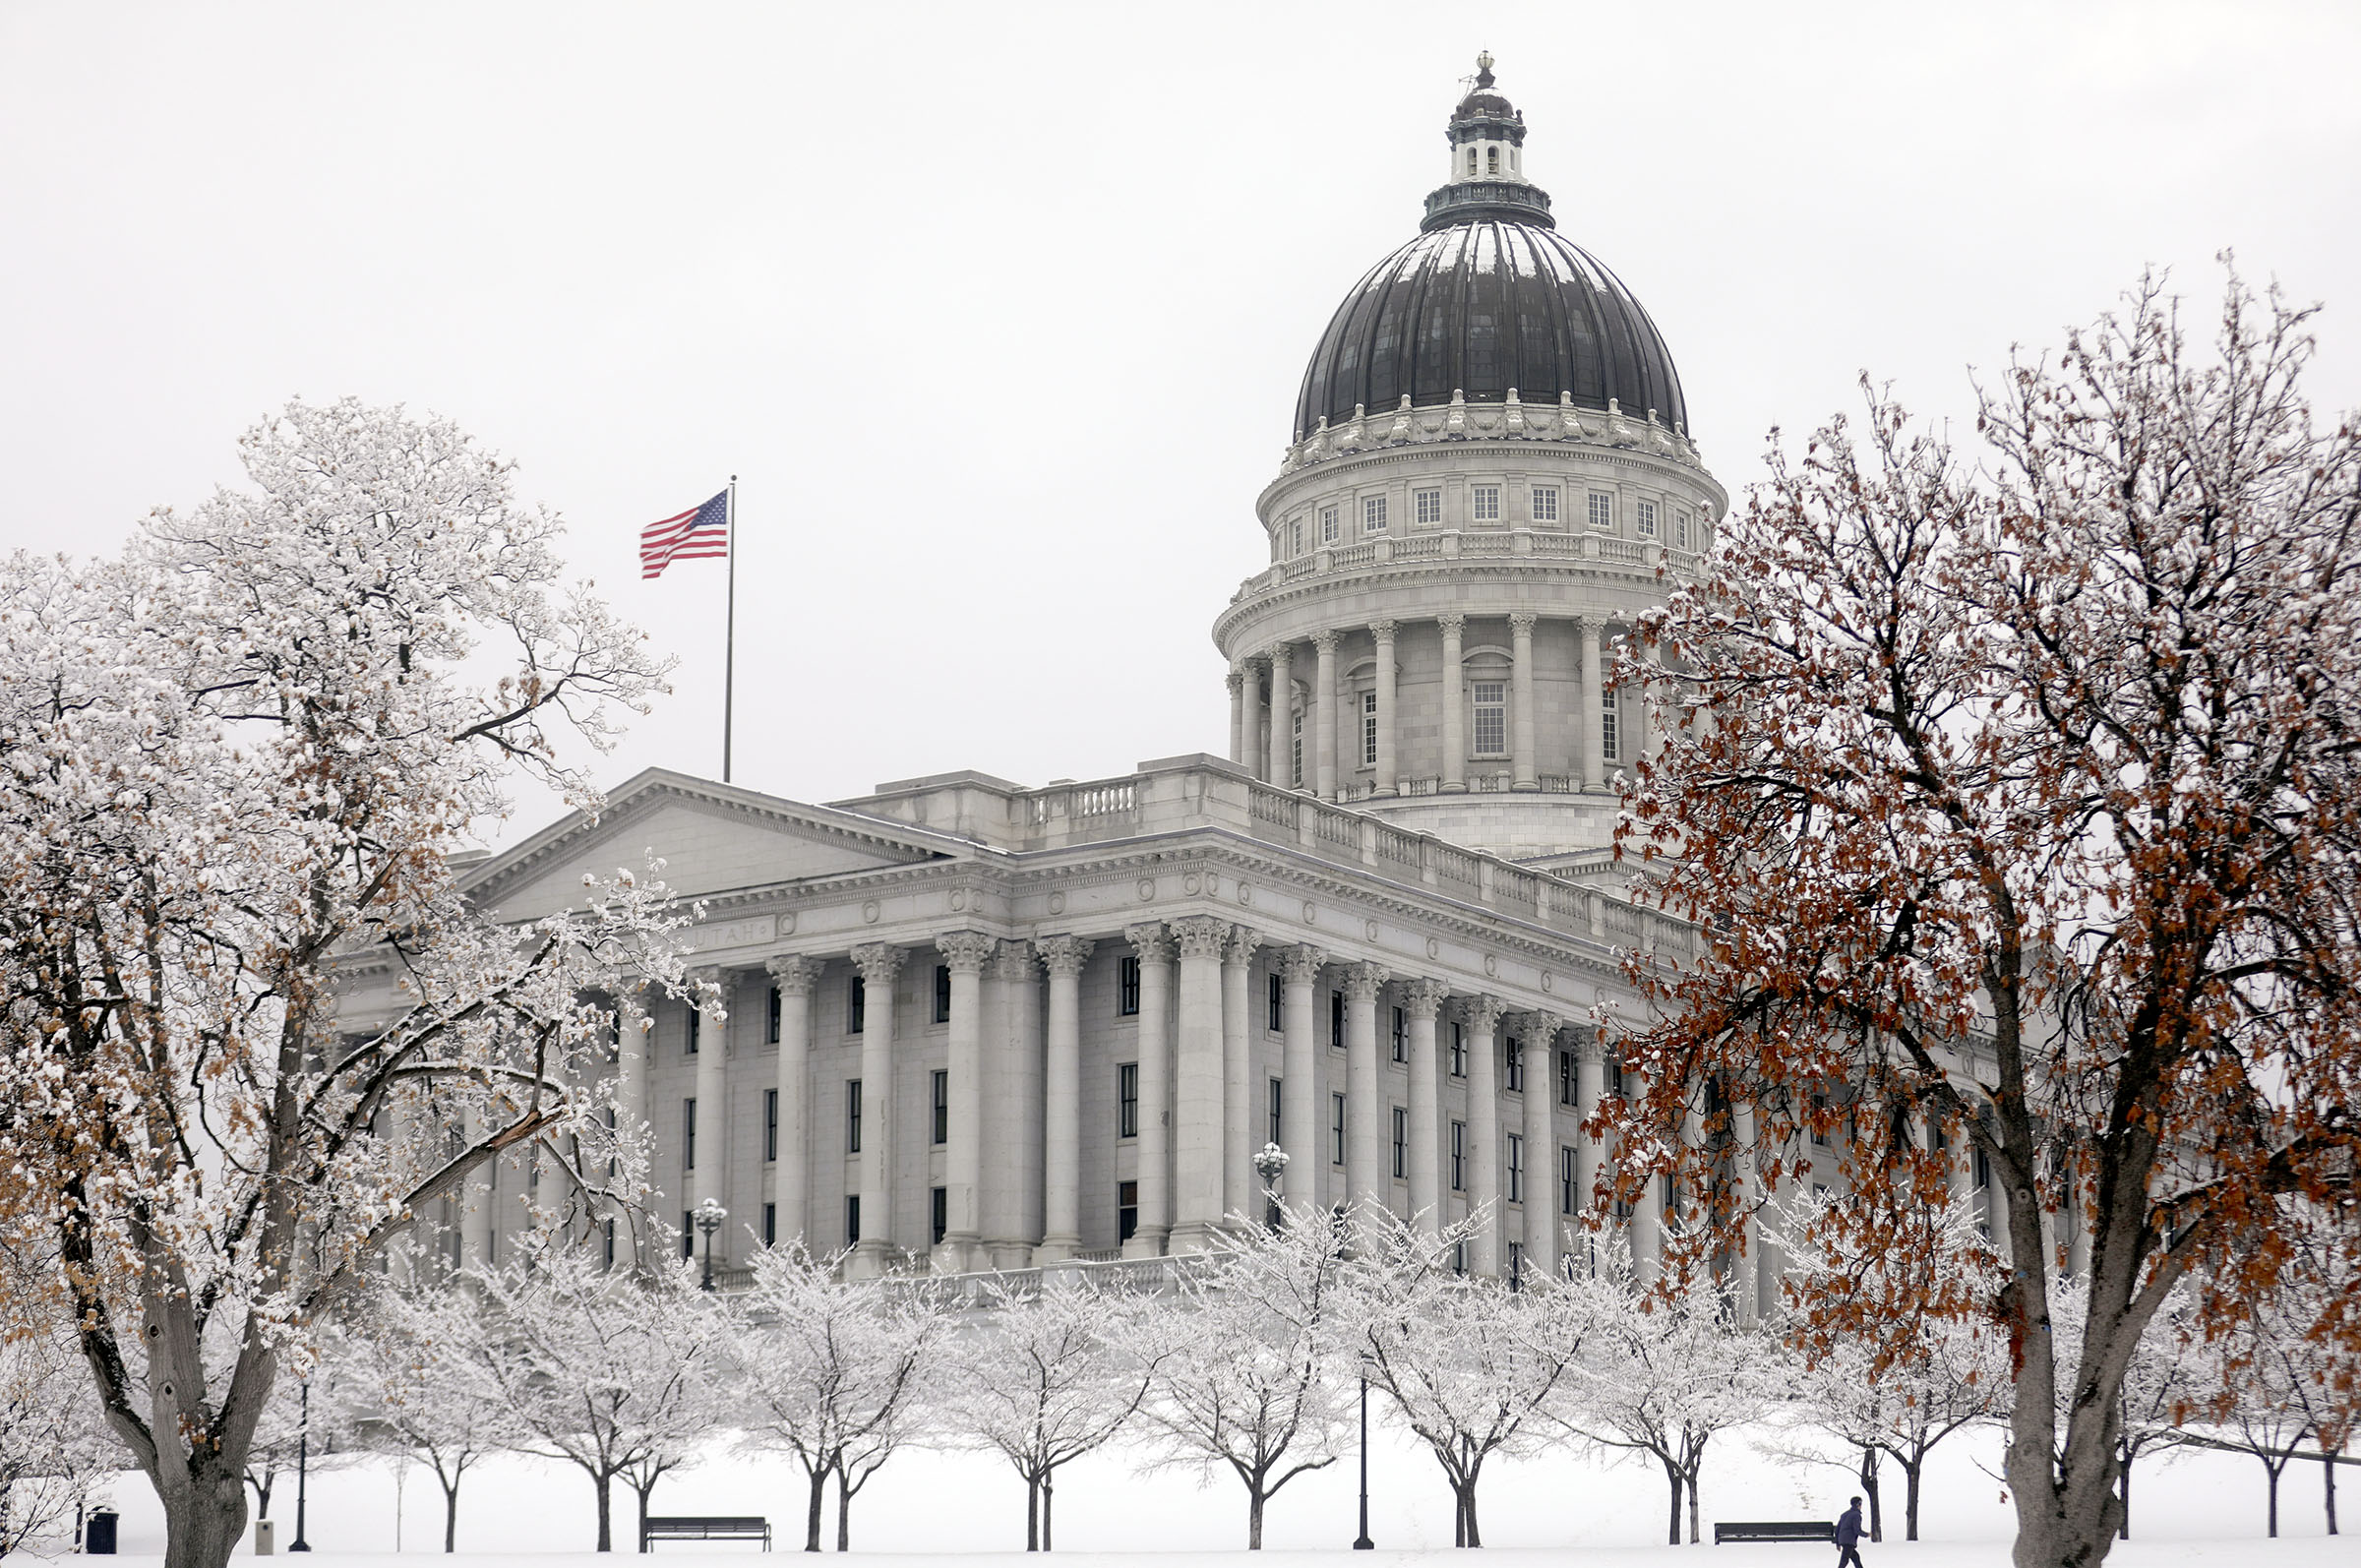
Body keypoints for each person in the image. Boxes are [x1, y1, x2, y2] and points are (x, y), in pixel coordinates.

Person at [1835, 1496, 1865, 1567]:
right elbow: (1857, 1530)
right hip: (1849, 1540)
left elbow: (1837, 1529)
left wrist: (1837, 1543)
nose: (1861, 1506)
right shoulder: (1856, 1515)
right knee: (1844, 1561)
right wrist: (1867, 1534)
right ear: (1858, 1504)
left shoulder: (1844, 1514)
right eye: (1860, 1504)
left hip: (1843, 1539)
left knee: (1856, 1557)